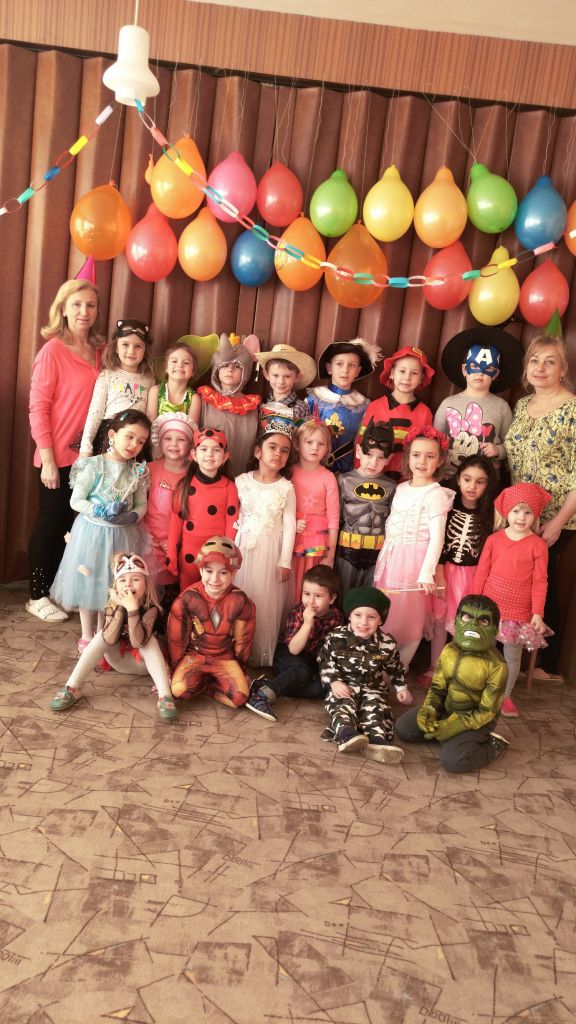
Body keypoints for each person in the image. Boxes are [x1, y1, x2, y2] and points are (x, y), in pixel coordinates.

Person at [27, 278, 104, 622]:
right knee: (52, 521)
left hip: (91, 458)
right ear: (63, 309)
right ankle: (37, 595)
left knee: (77, 527)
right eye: (76, 304)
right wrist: (46, 459)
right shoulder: (52, 351)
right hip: (56, 455)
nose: (84, 311)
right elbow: (38, 407)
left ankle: (61, 589)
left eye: (90, 305)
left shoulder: (101, 350)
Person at [504, 333, 576, 680]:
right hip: (520, 513)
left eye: (550, 361)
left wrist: (559, 521)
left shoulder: (572, 410)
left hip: (553, 515)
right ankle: (516, 657)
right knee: (522, 580)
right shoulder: (522, 405)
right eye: (534, 360)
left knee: (541, 582)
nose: (541, 367)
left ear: (563, 369)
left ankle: (543, 663)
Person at [50, 409, 152, 647]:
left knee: (113, 583)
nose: (134, 445)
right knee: (90, 581)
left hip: (123, 535)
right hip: (92, 534)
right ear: (113, 435)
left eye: (141, 441)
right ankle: (87, 635)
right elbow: (76, 501)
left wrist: (132, 516)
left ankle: (103, 634)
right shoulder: (93, 466)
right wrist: (100, 510)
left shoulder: (137, 471)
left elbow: (141, 504)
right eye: (129, 436)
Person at [48, 552, 178, 720]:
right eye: (122, 580)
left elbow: (138, 642)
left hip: (144, 665)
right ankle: (72, 687)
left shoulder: (151, 608)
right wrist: (121, 607)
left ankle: (165, 695)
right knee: (101, 635)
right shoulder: (112, 605)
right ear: (116, 586)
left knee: (150, 641)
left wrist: (132, 610)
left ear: (146, 585)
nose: (128, 584)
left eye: (135, 579)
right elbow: (109, 639)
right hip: (119, 661)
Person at [395, 595, 509, 773]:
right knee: (403, 728)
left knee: (454, 762)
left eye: (483, 621)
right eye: (467, 617)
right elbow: (437, 689)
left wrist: (456, 725)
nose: (473, 625)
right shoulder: (449, 651)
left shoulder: (497, 665)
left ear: (494, 630)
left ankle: (491, 746)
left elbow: (487, 711)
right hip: (446, 710)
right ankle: (448, 738)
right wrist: (430, 710)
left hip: (475, 721)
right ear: (456, 622)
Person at [373, 426, 454, 669]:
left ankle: (401, 667)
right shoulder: (401, 488)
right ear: (408, 457)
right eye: (417, 455)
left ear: (440, 460)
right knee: (388, 613)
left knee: (410, 619)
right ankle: (382, 666)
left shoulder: (435, 494)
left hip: (414, 564)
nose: (422, 461)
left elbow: (437, 538)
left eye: (430, 456)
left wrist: (426, 572)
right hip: (392, 558)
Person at [417, 453, 497, 687]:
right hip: (445, 571)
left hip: (473, 575)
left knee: (465, 621)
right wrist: (439, 573)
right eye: (467, 479)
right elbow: (438, 541)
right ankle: (435, 666)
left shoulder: (490, 514)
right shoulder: (447, 506)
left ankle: (460, 669)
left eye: (480, 481)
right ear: (458, 478)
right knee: (440, 619)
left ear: (488, 484)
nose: (472, 486)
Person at [474, 482, 551, 719]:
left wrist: (537, 613)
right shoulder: (494, 540)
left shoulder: (538, 545)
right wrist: (475, 602)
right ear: (506, 511)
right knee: (484, 650)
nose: (521, 517)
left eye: (528, 512)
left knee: (512, 656)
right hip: (490, 608)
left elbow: (540, 581)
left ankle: (505, 695)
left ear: (535, 514)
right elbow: (481, 572)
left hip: (519, 611)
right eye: (516, 510)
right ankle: (479, 690)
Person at [319, 587, 410, 762]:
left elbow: (395, 667)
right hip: (344, 686)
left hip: (373, 688)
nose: (364, 622)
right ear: (349, 616)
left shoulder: (387, 643)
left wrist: (401, 688)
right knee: (342, 705)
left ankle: (376, 741)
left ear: (380, 620)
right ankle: (346, 734)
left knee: (376, 708)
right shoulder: (336, 637)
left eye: (371, 617)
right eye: (358, 615)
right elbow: (324, 661)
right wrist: (334, 681)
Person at [233, 417, 297, 666]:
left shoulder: (286, 488)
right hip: (243, 548)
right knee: (241, 595)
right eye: (272, 447)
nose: (278, 454)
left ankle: (259, 652)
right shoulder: (241, 481)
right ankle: (236, 648)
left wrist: (285, 561)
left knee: (264, 602)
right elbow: (234, 517)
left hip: (271, 551)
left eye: (285, 450)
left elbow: (289, 525)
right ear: (258, 451)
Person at [245, 564, 343, 721]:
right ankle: (261, 697)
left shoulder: (337, 617)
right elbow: (294, 650)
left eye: (318, 596)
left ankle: (266, 685)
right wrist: (307, 624)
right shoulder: (298, 612)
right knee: (301, 671)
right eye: (306, 594)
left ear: (332, 599)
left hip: (311, 660)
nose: (310, 601)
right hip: (287, 654)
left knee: (322, 688)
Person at [168, 537, 255, 706]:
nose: (215, 579)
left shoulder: (241, 601)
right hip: (194, 656)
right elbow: (177, 639)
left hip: (225, 657)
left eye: (223, 573)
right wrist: (174, 668)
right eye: (209, 571)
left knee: (239, 699)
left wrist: (242, 669)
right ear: (200, 570)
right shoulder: (186, 599)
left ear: (233, 573)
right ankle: (204, 683)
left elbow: (243, 641)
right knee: (179, 690)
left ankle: (208, 687)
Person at [433, 327, 523, 477]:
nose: (480, 373)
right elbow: (435, 440)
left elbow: (511, 443)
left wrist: (498, 450)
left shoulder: (502, 406)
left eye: (488, 368)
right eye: (474, 366)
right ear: (464, 370)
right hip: (449, 476)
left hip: (485, 480)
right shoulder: (448, 403)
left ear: (496, 374)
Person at [165, 427, 238, 593]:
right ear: (194, 455)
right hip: (189, 554)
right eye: (204, 449)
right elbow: (175, 521)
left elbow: (232, 523)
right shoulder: (184, 485)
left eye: (216, 450)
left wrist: (228, 553)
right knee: (188, 593)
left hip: (217, 553)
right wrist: (171, 554)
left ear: (225, 456)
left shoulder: (230, 487)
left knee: (215, 592)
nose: (209, 454)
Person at [79, 319, 154, 457]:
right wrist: (86, 447)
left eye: (138, 346)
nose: (131, 351)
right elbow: (95, 413)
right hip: (109, 437)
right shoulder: (107, 375)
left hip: (135, 441)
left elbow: (150, 416)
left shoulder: (149, 380)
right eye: (125, 344)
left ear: (145, 350)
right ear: (116, 348)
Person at [356, 345, 434, 480]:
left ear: (421, 378)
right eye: (402, 371)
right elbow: (361, 443)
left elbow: (427, 450)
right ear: (392, 373)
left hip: (408, 481)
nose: (407, 377)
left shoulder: (425, 413)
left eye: (414, 373)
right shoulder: (375, 406)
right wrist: (360, 476)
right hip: (374, 479)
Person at [336, 418, 396, 591]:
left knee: (369, 596)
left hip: (377, 551)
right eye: (369, 455)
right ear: (358, 452)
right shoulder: (344, 480)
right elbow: (336, 519)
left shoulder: (392, 486)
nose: (373, 462)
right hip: (347, 548)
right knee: (343, 593)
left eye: (380, 457)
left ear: (388, 459)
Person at [305, 337, 380, 473]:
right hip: (315, 467)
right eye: (339, 364)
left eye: (352, 365)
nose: (345, 370)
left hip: (348, 470)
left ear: (358, 371)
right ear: (329, 368)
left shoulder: (363, 405)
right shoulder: (314, 399)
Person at [141, 412, 195, 594]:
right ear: (160, 441)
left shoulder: (194, 475)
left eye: (181, 439)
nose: (174, 444)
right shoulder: (149, 469)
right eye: (168, 438)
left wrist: (175, 542)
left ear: (191, 444)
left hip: (181, 541)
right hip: (148, 540)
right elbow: (139, 506)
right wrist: (148, 538)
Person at [198, 332, 262, 477]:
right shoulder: (204, 399)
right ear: (216, 369)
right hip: (206, 473)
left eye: (237, 366)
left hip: (240, 473)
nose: (230, 369)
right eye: (225, 365)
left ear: (246, 372)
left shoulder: (253, 406)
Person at [290, 419, 340, 600]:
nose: (315, 448)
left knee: (311, 586)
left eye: (321, 444)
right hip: (291, 539)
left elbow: (333, 518)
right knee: (290, 585)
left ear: (327, 448)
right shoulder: (288, 472)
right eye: (309, 442)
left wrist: (330, 555)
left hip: (316, 545)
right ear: (297, 444)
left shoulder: (328, 477)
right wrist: (291, 524)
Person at [146, 341, 202, 436]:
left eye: (186, 363)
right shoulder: (155, 391)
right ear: (166, 368)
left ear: (193, 371)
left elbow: (191, 431)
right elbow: (150, 425)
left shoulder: (194, 398)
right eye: (174, 361)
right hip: (155, 440)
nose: (180, 365)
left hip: (183, 441)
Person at [256, 343, 316, 426]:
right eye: (275, 375)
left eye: (287, 376)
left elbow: (304, 433)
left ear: (297, 377)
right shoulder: (261, 404)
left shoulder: (301, 407)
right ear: (266, 375)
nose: (281, 381)